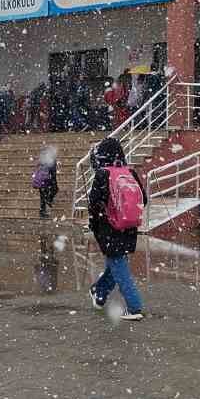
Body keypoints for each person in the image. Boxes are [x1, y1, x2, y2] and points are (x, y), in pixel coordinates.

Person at [87, 137, 147, 321]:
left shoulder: (103, 174)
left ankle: (135, 307)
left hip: (109, 227)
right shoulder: (130, 172)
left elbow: (95, 203)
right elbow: (143, 199)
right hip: (129, 227)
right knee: (117, 262)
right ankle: (99, 291)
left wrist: (97, 222)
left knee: (119, 267)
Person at [32, 151, 58, 219]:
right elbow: (53, 173)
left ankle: (42, 211)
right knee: (53, 190)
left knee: (42, 197)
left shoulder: (42, 160)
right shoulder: (51, 161)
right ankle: (48, 201)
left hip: (41, 181)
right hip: (47, 181)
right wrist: (54, 181)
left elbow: (38, 170)